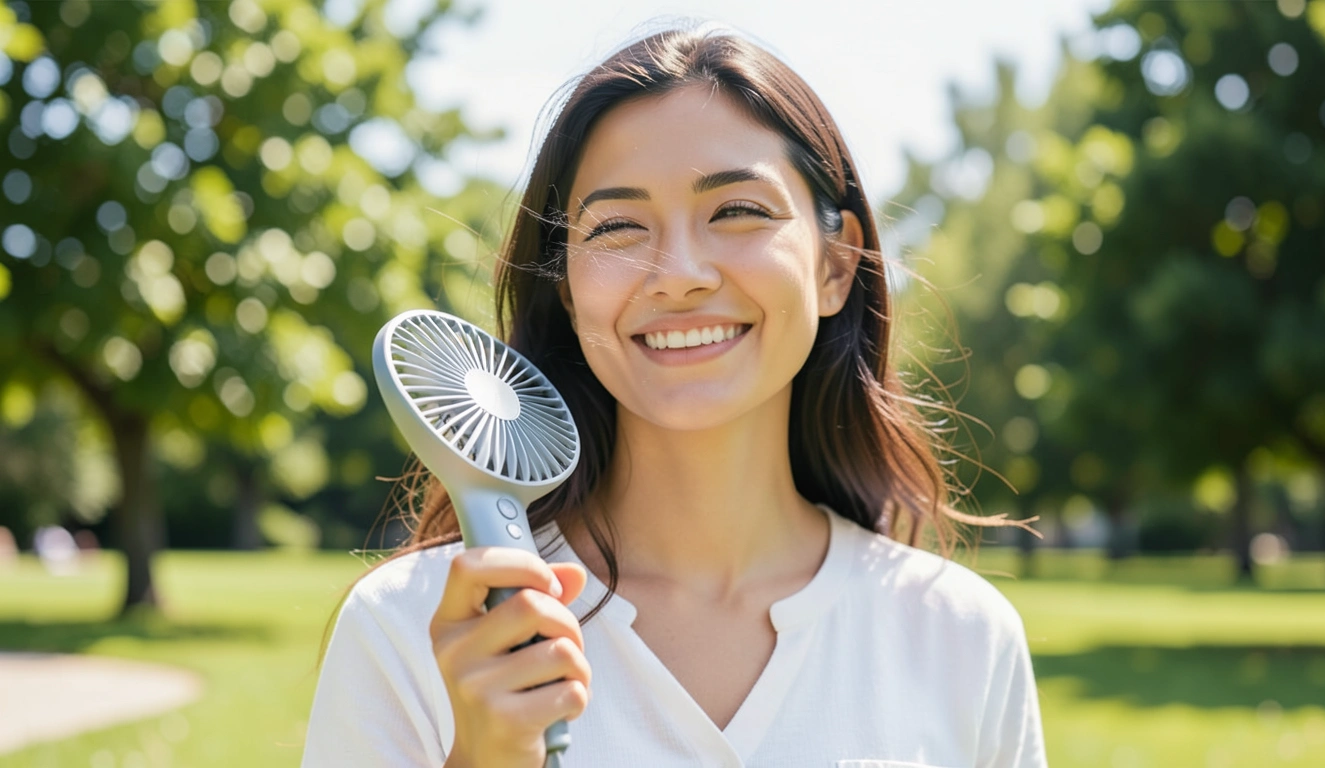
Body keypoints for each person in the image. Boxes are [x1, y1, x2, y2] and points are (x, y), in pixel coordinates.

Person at [302, 24, 1046, 768]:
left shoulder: (961, 636)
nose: (678, 273)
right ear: (565, 288)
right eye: (619, 227)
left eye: (737, 211)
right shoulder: (409, 627)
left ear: (835, 264)